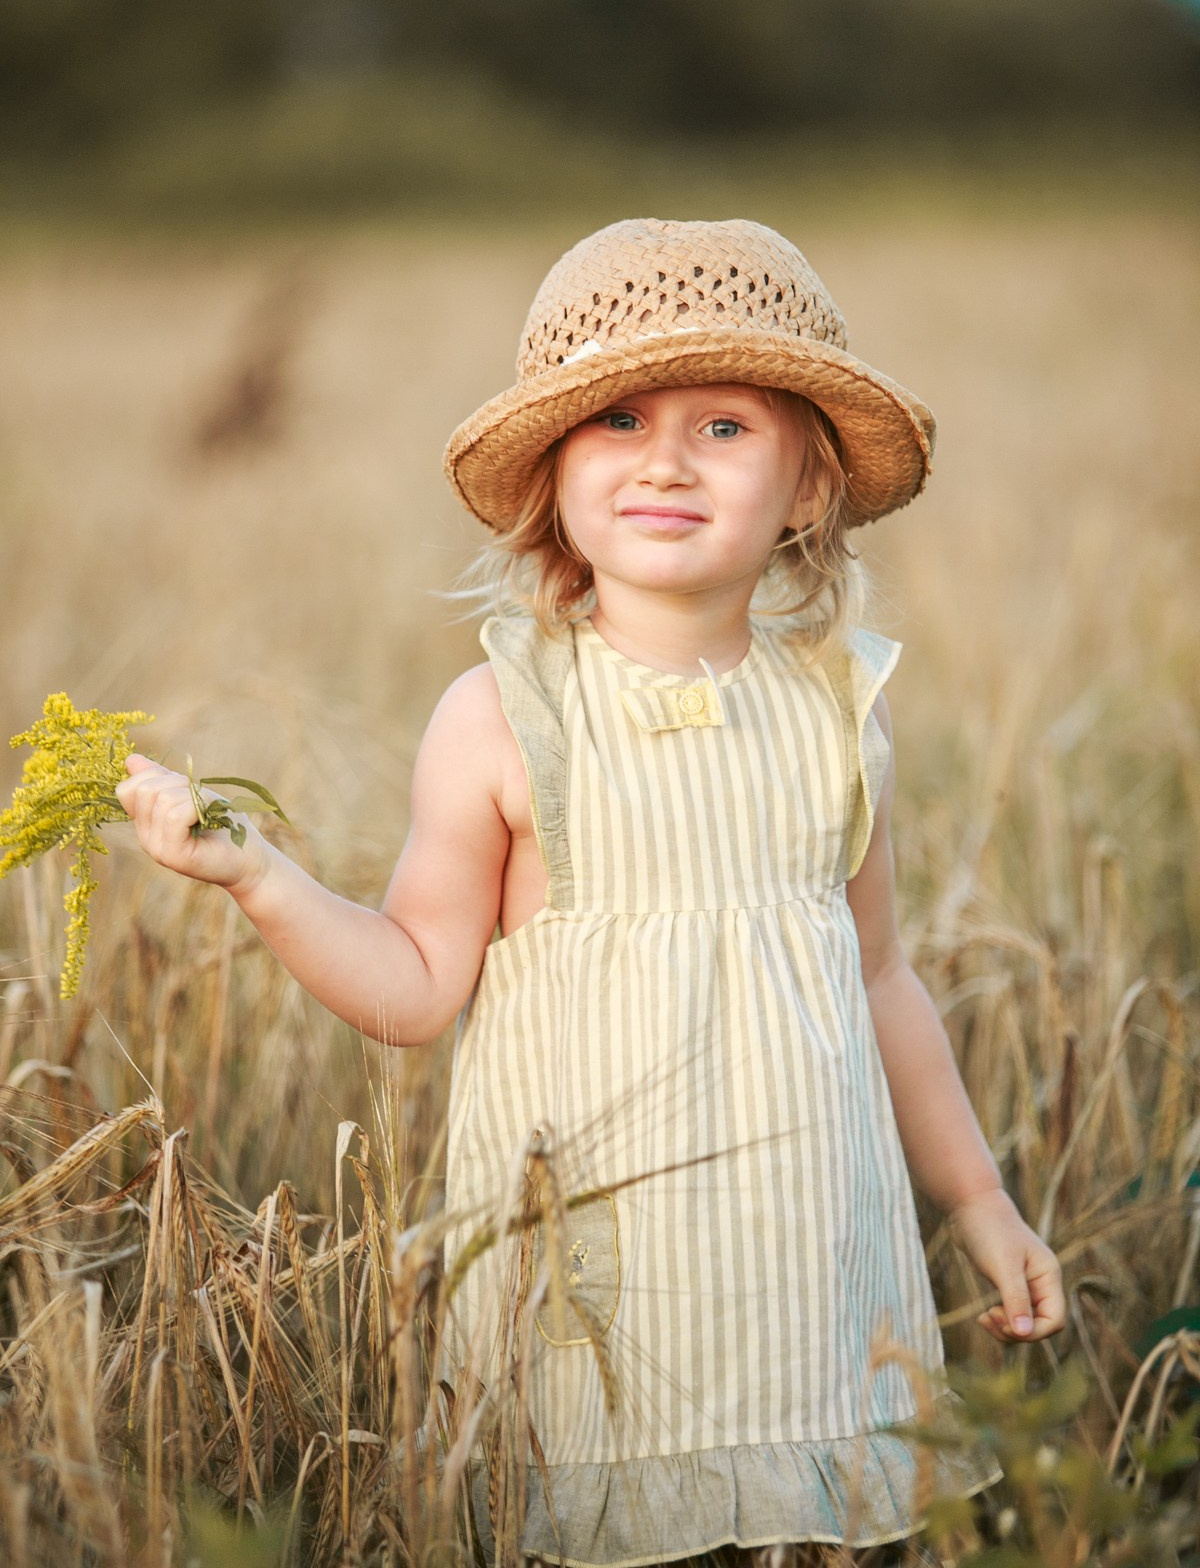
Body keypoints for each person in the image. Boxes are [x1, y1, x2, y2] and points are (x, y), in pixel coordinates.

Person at [117, 217, 1065, 1566]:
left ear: (807, 484)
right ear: (553, 474)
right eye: (617, 418)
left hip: (807, 1278)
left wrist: (978, 1201)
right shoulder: (505, 717)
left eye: (725, 424)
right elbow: (413, 986)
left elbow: (877, 976)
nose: (667, 458)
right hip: (603, 1300)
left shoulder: (838, 712)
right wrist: (257, 877)